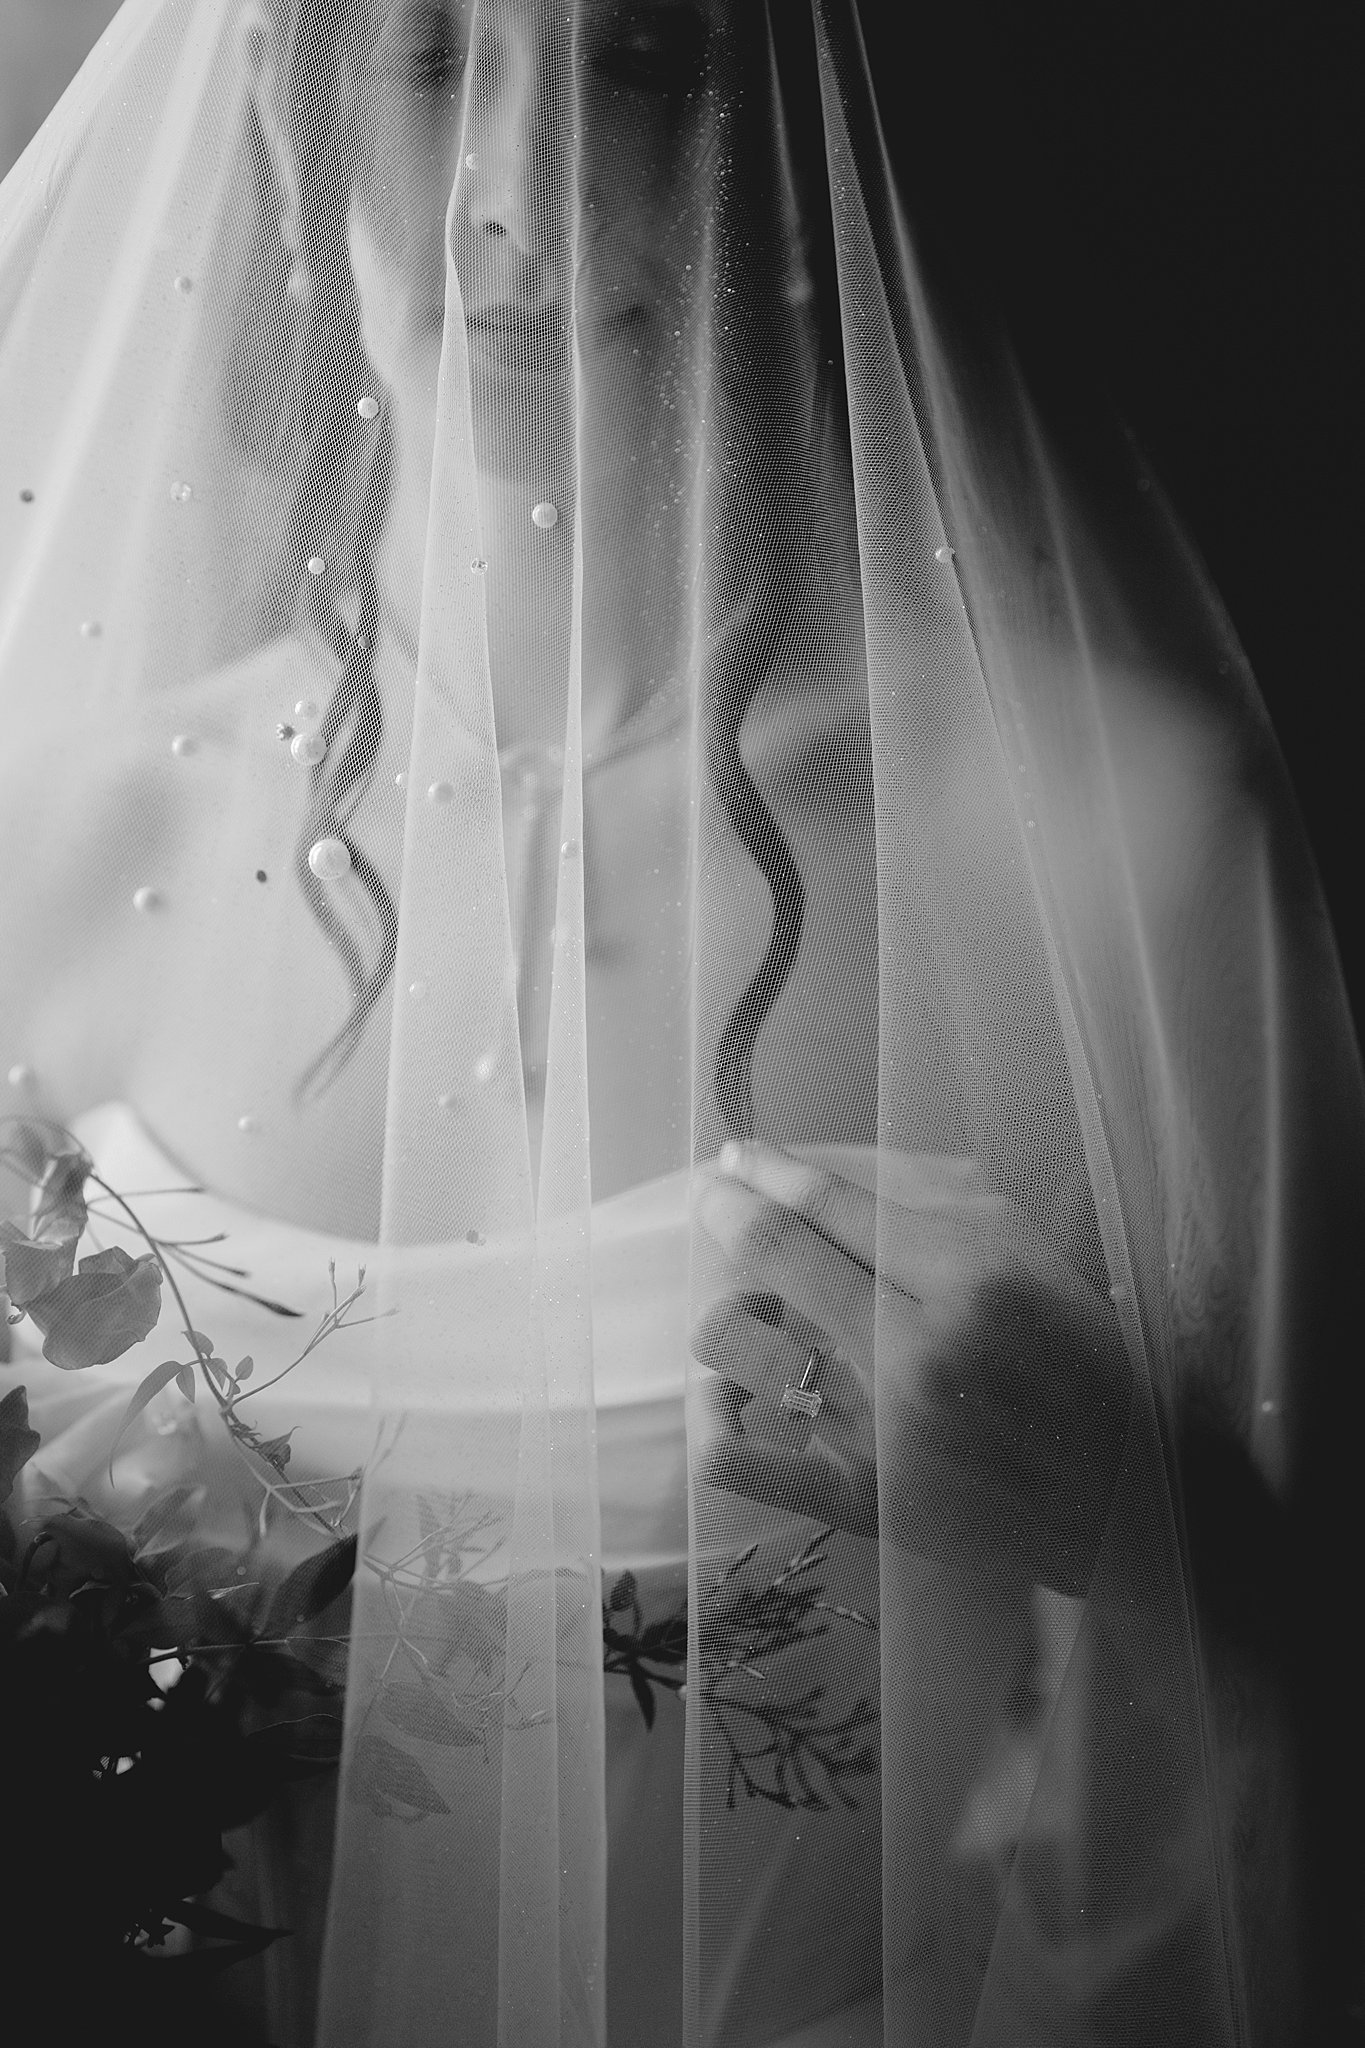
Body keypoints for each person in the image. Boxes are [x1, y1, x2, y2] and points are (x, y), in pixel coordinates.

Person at [1, 3, 1358, 2043]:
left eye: (637, 59)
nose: (522, 191)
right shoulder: (60, 853)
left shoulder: (1115, 866)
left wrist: (1135, 1532)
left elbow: (1299, 1766)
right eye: (436, 52)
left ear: (792, 143)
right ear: (286, 121)